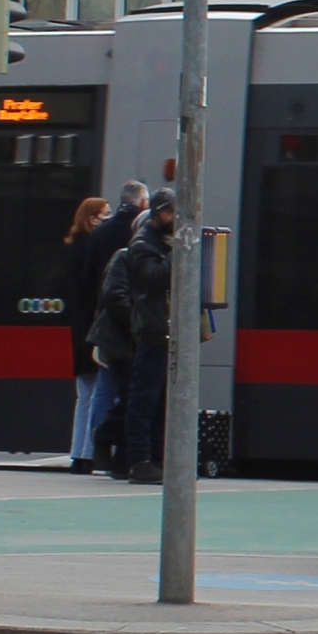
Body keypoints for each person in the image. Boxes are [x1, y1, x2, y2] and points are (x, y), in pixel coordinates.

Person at [84, 181, 148, 476]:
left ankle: (121, 455)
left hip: (118, 337)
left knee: (123, 395)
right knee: (130, 396)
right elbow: (115, 297)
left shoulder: (99, 237)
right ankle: (105, 440)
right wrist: (139, 322)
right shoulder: (126, 255)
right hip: (123, 337)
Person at [119, 189, 177, 484]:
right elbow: (152, 280)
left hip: (163, 329)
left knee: (158, 400)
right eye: (171, 212)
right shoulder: (143, 244)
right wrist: (178, 253)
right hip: (153, 330)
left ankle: (154, 456)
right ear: (158, 212)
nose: (175, 219)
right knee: (145, 398)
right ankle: (140, 459)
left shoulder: (158, 242)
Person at [63, 196, 109, 473]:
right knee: (96, 392)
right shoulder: (93, 247)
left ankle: (78, 453)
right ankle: (89, 452)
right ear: (92, 218)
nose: (108, 217)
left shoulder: (73, 246)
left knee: (84, 394)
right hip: (93, 326)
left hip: (79, 326)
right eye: (105, 213)